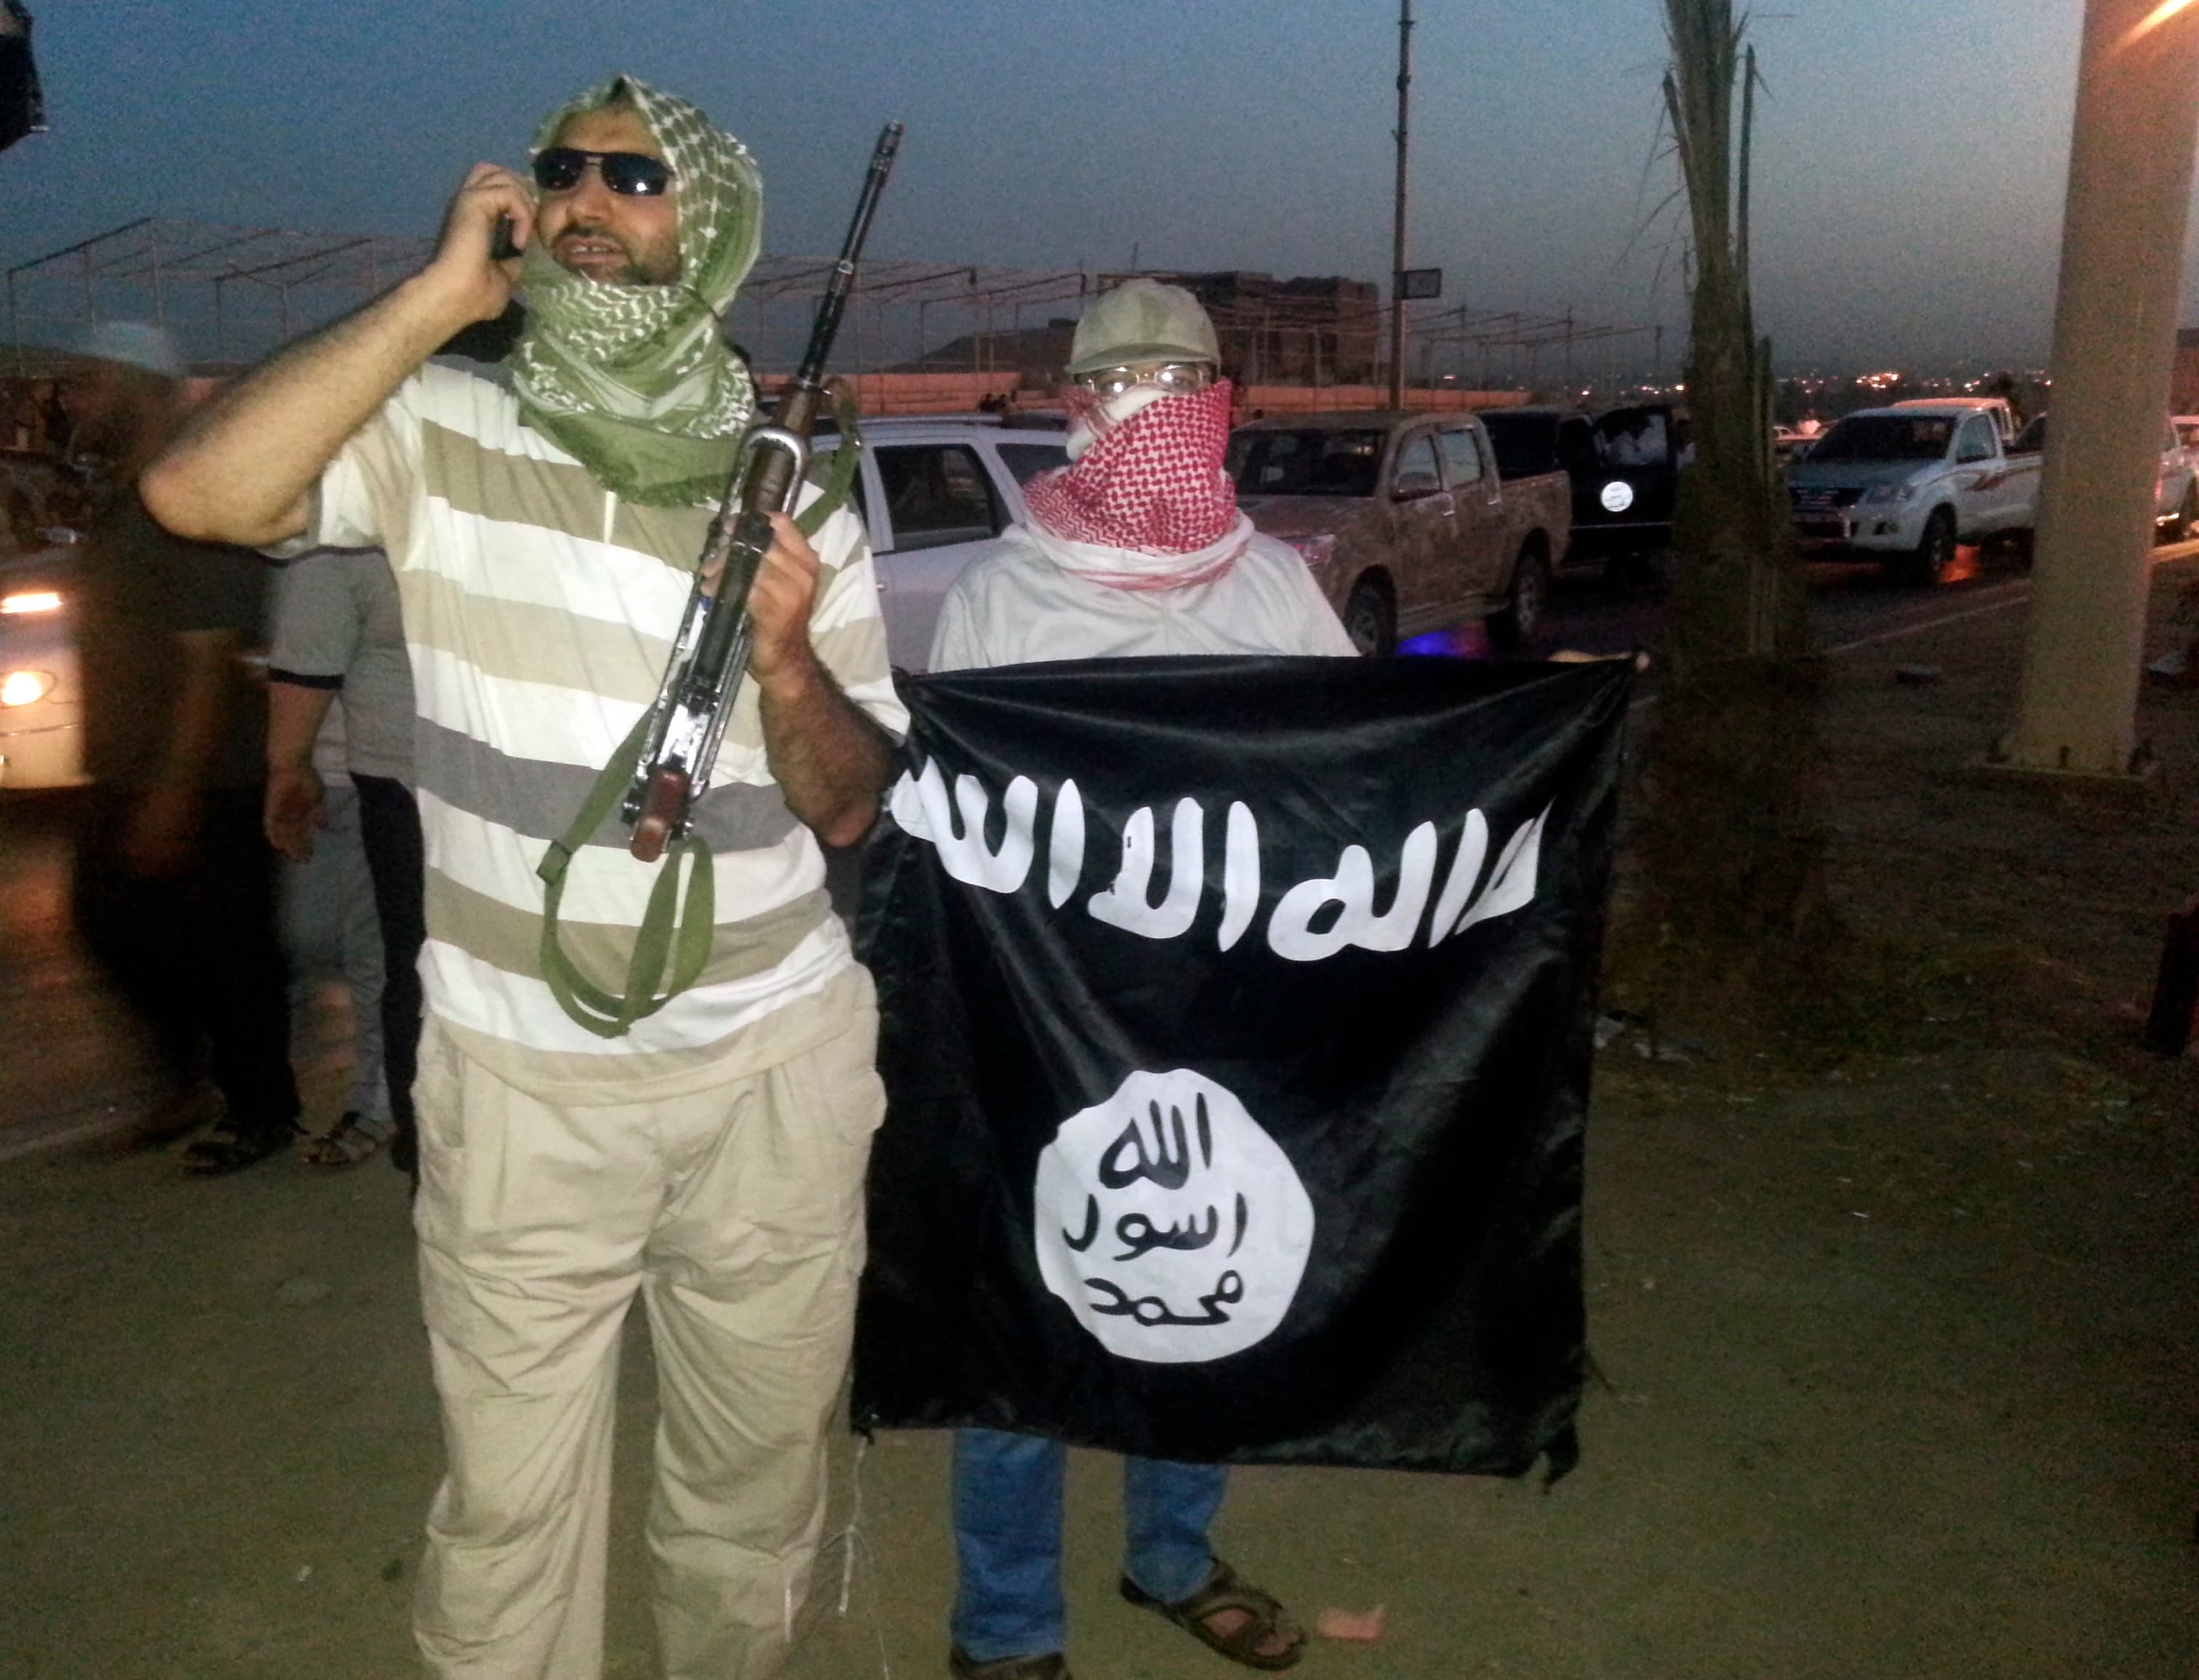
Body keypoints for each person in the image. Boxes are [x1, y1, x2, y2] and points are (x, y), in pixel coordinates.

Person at [143, 74, 903, 1679]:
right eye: (565, 168)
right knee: (507, 1517)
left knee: (751, 1497)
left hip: (774, 1066)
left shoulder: (805, 481)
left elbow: (852, 806)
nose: (588, 198)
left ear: (711, 226)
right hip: (519, 1076)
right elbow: (197, 496)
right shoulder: (441, 423)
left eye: (636, 176)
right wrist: (432, 301)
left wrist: (782, 659)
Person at [929, 279, 1352, 1680]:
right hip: (1049, 1031)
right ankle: (1004, 1627)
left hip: (1229, 1024)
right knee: (1031, 1321)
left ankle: (1170, 1553)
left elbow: (1360, 792)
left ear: (1217, 406)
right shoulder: (1000, 600)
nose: (1148, 412)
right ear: (1072, 407)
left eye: (1179, 384)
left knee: (1211, 1293)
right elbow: (957, 839)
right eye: (1122, 385)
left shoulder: (1275, 588)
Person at [65, 320, 301, 1175]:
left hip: (204, 772)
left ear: (142, 392)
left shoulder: (189, 497)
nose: (74, 399)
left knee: (230, 951)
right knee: (107, 924)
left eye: (92, 382)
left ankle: (261, 1108)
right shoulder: (125, 496)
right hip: (127, 763)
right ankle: (182, 1086)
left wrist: (176, 790)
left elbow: (211, 659)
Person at [265, 546, 417, 1174]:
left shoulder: (338, 531)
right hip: (359, 770)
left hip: (387, 774)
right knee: (334, 945)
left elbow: (307, 655)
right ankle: (395, 1108)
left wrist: (287, 764)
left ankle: (389, 1109)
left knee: (383, 959)